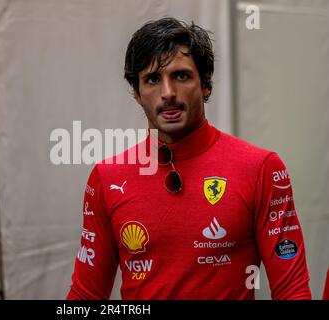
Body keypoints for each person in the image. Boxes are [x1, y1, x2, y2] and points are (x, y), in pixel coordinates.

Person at [66, 17, 311, 299]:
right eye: (152, 79)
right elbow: (85, 297)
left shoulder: (261, 169)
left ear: (205, 85)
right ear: (136, 92)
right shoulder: (106, 178)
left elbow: (292, 291)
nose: (167, 93)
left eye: (181, 76)